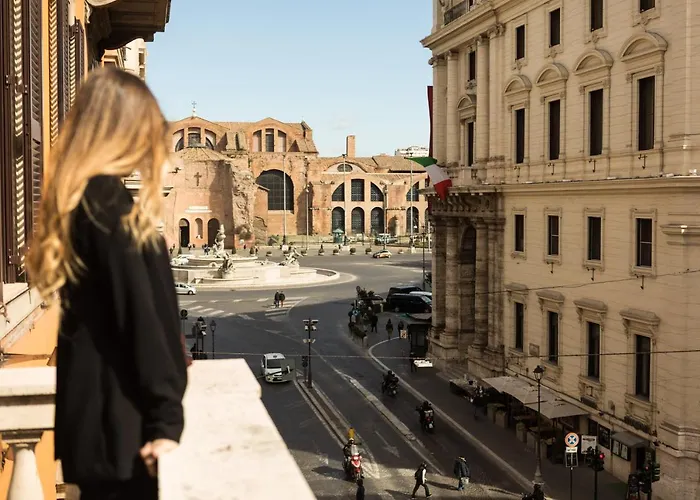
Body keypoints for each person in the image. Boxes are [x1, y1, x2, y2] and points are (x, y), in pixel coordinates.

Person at [25, 68, 188, 500]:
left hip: (99, 429)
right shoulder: (110, 211)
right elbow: (141, 320)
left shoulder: (87, 202)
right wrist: (167, 419)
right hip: (123, 433)